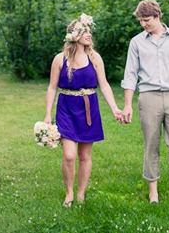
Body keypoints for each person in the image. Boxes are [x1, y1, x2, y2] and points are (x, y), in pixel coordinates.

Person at [120, 0, 169, 204]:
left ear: (158, 16)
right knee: (151, 144)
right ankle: (153, 190)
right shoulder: (136, 42)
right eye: (141, 21)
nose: (144, 24)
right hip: (148, 97)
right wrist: (128, 104)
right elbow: (130, 76)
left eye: (147, 20)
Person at [44, 13, 122, 207]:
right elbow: (52, 87)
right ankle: (69, 192)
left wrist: (115, 108)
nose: (89, 35)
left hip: (89, 108)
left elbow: (104, 85)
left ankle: (80, 193)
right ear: (73, 35)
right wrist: (47, 114)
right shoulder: (59, 59)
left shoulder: (95, 58)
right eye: (84, 31)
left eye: (89, 31)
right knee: (69, 155)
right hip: (66, 108)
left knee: (85, 156)